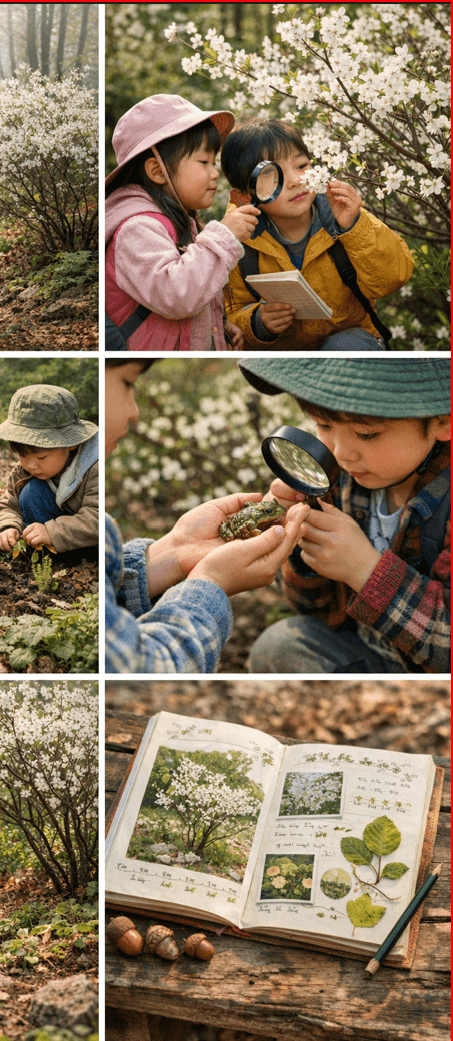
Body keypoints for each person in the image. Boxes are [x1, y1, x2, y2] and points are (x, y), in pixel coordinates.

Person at [239, 358, 450, 674]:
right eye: (324, 426)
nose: (340, 452)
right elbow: (316, 611)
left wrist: (365, 571)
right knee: (281, 646)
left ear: (444, 422)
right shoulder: (343, 481)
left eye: (366, 434)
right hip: (373, 656)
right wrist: (298, 541)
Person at [105, 359, 309, 673]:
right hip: (235, 531)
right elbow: (147, 665)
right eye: (128, 383)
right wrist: (210, 581)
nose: (135, 411)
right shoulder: (99, 530)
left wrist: (173, 550)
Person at [220, 118, 414, 352]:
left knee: (345, 346)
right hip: (286, 355)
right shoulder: (239, 241)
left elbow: (394, 278)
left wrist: (354, 226)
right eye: (272, 176)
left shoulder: (342, 217)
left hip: (350, 343)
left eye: (301, 166)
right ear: (245, 197)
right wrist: (258, 323)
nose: (295, 181)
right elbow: (229, 313)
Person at [105, 93, 261, 352]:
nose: (214, 173)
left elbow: (195, 292)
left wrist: (218, 327)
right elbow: (176, 295)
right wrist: (222, 236)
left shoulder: (177, 220)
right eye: (204, 162)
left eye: (214, 162)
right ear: (157, 171)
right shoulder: (137, 229)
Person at [0, 385, 99, 556]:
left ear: (72, 443)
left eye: (41, 457)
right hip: (49, 539)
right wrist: (7, 526)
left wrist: (53, 531)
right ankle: (44, 554)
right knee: (30, 492)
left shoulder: (95, 467)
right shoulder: (24, 469)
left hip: (91, 543)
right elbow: (9, 505)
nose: (32, 465)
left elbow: (97, 519)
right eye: (22, 455)